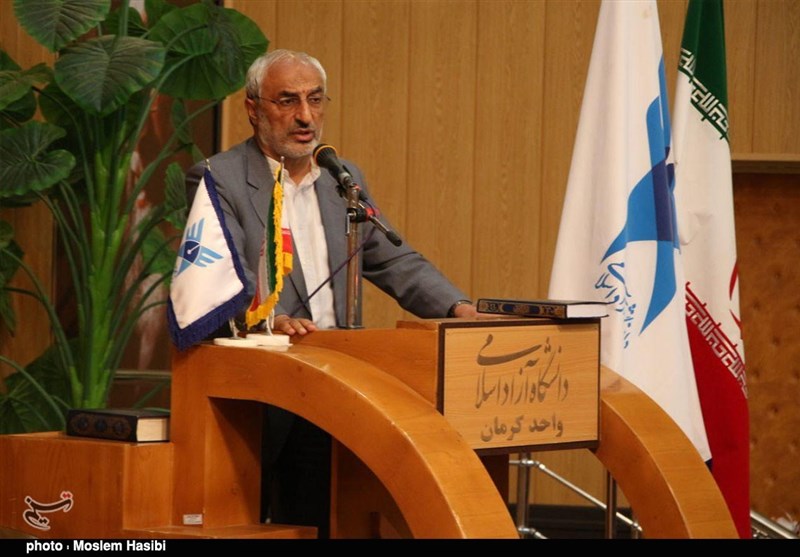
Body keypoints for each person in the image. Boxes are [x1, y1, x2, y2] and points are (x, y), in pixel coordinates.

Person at [186, 49, 477, 538]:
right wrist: (269, 319)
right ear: (253, 109)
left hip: (335, 386)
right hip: (260, 391)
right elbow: (220, 276)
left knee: (324, 520)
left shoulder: (343, 180)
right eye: (288, 101)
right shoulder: (218, 178)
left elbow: (392, 260)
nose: (306, 116)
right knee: (252, 524)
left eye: (315, 99)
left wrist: (458, 307)